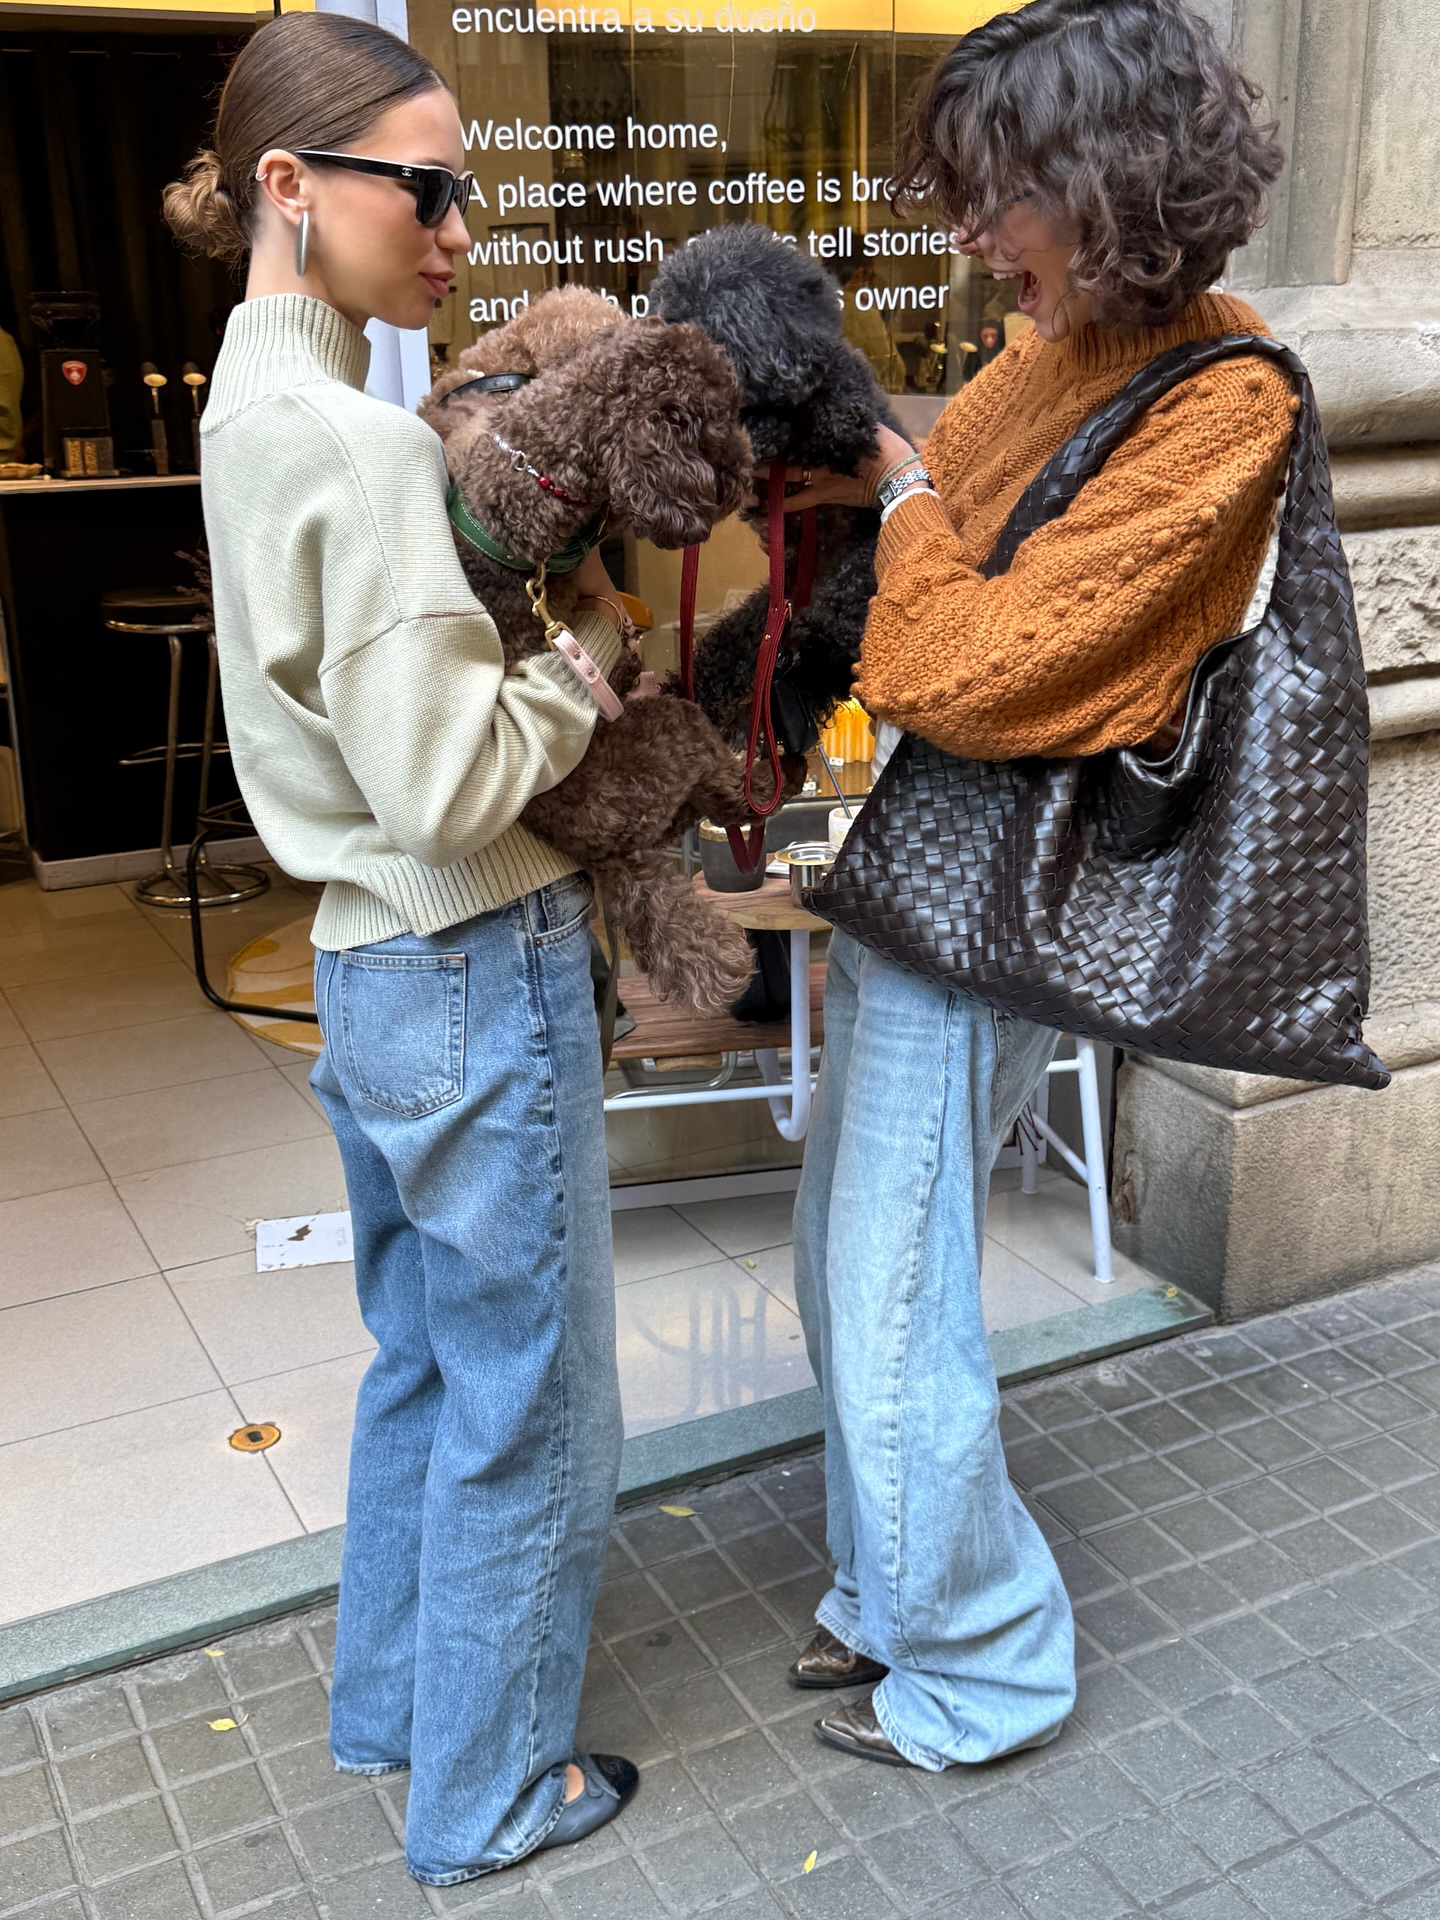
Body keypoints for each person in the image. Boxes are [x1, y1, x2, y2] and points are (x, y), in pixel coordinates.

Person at [777, 0, 1290, 1770]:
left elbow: (976, 665)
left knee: (895, 1270)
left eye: (1002, 196)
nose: (973, 237)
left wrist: (911, 500)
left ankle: (986, 1658)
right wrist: (924, 507)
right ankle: (884, 1585)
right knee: (844, 1245)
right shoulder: (1046, 359)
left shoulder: (1229, 398)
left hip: (1010, 886)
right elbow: (944, 591)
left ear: (1110, 181)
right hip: (928, 867)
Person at [163, 12, 637, 1883]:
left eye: (467, 190)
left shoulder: (240, 414)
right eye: (422, 188)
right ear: (293, 188)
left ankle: (393, 1717)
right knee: (538, 1401)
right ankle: (492, 1795)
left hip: (359, 977)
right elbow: (448, 787)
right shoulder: (363, 450)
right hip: (466, 948)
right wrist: (582, 675)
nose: (456, 227)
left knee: (428, 1367)